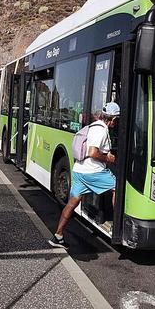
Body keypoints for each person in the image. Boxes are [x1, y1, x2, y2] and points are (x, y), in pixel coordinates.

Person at [48, 102, 120, 248]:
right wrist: (108, 158)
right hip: (93, 172)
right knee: (118, 188)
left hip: (79, 171)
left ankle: (58, 236)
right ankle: (118, 226)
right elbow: (92, 152)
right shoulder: (101, 130)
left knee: (72, 203)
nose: (116, 122)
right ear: (112, 119)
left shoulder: (93, 126)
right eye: (116, 119)